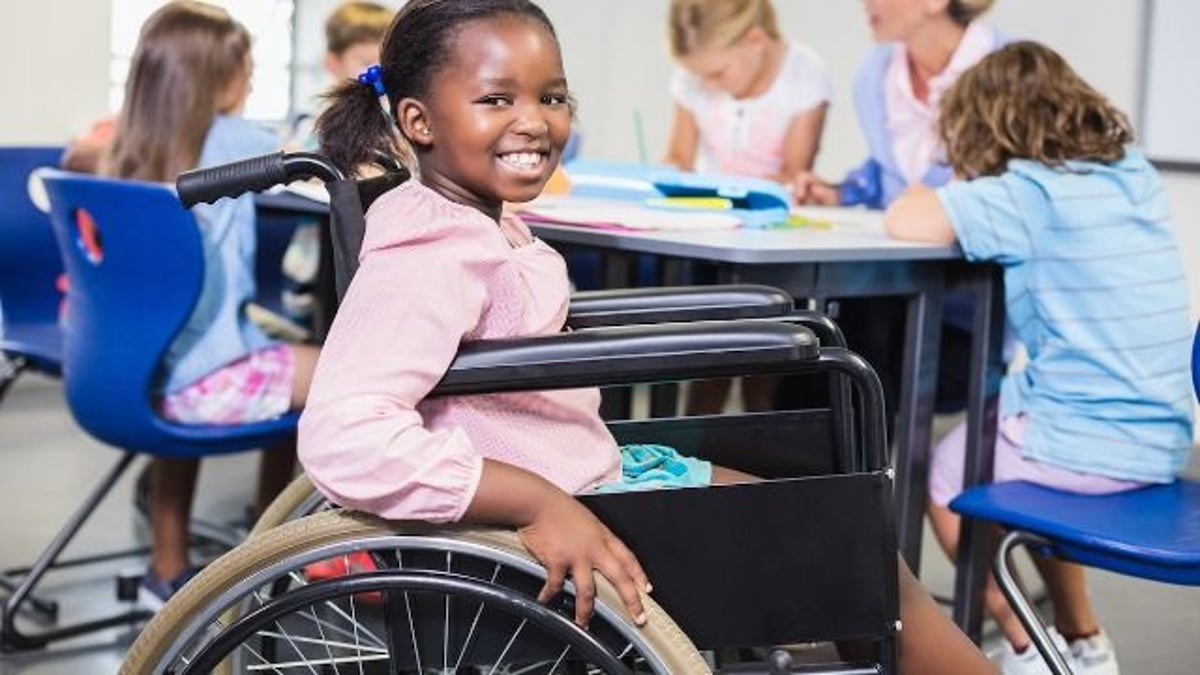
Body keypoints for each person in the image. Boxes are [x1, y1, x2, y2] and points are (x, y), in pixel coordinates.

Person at [300, 1, 997, 672]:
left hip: (589, 471)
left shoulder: (479, 221)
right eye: (497, 99)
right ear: (418, 120)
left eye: (552, 97)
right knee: (857, 553)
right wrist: (537, 501)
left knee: (848, 537)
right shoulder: (430, 254)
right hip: (555, 506)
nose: (535, 121)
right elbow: (344, 435)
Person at [885, 41, 1194, 675]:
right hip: (1162, 438)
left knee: (946, 471)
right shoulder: (1132, 174)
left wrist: (944, 179)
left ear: (984, 126)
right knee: (1007, 442)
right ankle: (1083, 640)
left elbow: (906, 221)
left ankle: (1026, 645)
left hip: (1083, 446)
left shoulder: (1024, 195)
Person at [98, 1, 321, 606]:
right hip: (203, 383)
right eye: (246, 68)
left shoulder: (124, 151)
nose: (251, 79)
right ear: (218, 79)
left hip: (140, 375)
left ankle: (166, 566)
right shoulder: (240, 140)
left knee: (278, 355)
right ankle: (267, 549)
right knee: (339, 369)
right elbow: (316, 161)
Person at [782, 0, 1004, 423]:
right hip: (887, 289)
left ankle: (862, 465)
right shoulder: (876, 73)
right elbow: (887, 174)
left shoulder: (1005, 70)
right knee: (807, 364)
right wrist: (840, 192)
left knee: (854, 356)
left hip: (963, 309)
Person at [661, 0, 831, 415]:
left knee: (767, 368)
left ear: (755, 41)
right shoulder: (695, 74)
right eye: (701, 76)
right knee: (707, 363)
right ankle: (695, 446)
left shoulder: (803, 74)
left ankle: (760, 445)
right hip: (710, 238)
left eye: (718, 73)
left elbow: (794, 173)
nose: (709, 84)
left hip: (774, 245)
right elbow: (678, 157)